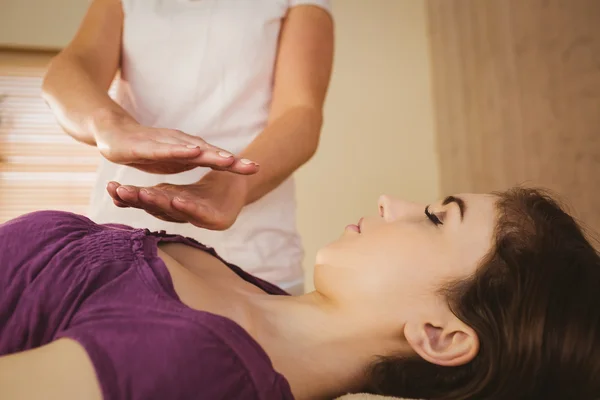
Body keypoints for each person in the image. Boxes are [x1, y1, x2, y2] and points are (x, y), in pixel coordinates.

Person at [0, 186, 599, 400]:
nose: (393, 201)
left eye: (440, 218)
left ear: (439, 335)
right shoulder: (258, 301)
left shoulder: (200, 370)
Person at [41, 0, 335, 294]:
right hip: (124, 248)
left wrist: (232, 186)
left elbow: (300, 112)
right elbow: (73, 66)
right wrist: (111, 125)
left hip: (252, 258)